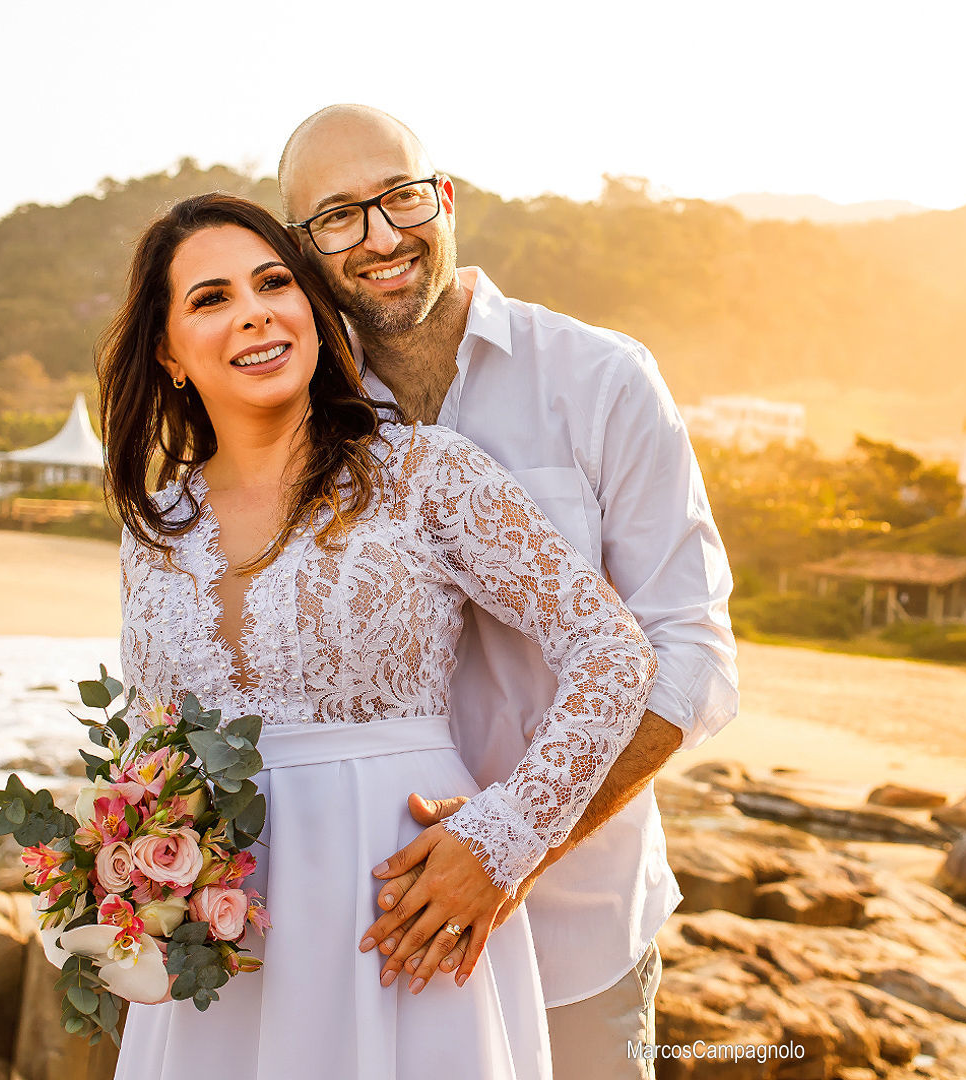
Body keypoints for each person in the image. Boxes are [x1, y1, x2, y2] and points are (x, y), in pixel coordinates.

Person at [99, 192, 658, 1078]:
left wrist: (507, 836)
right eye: (211, 298)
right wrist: (123, 871)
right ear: (168, 352)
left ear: (313, 315)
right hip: (226, 949)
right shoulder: (156, 526)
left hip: (402, 920)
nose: (254, 312)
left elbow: (615, 652)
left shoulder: (422, 474)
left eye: (274, 282)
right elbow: (148, 738)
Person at [277, 105, 739, 1076]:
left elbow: (692, 656)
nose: (380, 236)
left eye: (400, 196)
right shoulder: (292, 425)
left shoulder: (601, 378)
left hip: (581, 937)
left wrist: (514, 839)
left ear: (445, 199)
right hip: (374, 933)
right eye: (336, 217)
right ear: (300, 249)